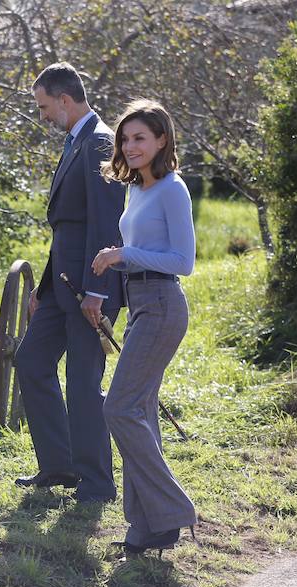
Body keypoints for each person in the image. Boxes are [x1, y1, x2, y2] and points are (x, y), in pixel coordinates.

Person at [13, 63, 125, 503]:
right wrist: (42, 290)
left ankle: (97, 483)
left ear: (64, 99)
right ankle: (58, 467)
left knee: (82, 381)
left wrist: (98, 292)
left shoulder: (99, 141)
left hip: (88, 290)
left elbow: (106, 221)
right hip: (61, 287)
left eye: (43, 105)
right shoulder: (75, 141)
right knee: (32, 362)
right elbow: (66, 229)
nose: (41, 114)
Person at [91, 99, 197, 553]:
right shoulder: (137, 189)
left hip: (162, 303)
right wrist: (116, 260)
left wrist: (124, 254)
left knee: (120, 409)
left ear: (161, 141)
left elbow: (184, 261)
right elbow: (138, 248)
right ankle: (148, 527)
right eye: (125, 138)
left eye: (140, 138)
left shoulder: (173, 189)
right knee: (141, 414)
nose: (130, 146)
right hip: (139, 304)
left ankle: (173, 509)